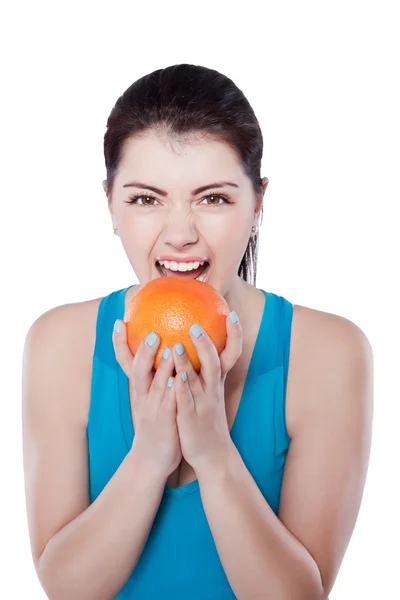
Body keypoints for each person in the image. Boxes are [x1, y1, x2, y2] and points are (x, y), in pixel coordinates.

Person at [22, 63, 373, 599]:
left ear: (258, 203)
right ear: (110, 204)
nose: (180, 234)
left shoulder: (329, 353)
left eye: (213, 198)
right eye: (145, 198)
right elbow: (67, 589)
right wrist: (149, 457)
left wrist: (212, 451)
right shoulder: (59, 344)